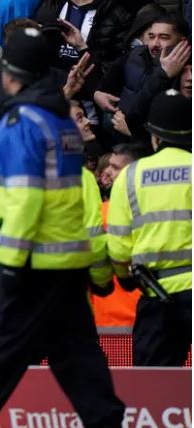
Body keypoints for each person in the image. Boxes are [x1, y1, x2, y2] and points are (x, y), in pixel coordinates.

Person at [0, 27, 125, 427]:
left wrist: (9, 264)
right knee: (79, 360)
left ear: (12, 75)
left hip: (29, 264)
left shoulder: (21, 124)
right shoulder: (59, 122)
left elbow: (26, 199)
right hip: (66, 262)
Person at [106, 89, 192, 366]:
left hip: (157, 295)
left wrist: (125, 275)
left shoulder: (130, 177)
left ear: (154, 136)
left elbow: (118, 247)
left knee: (152, 389)